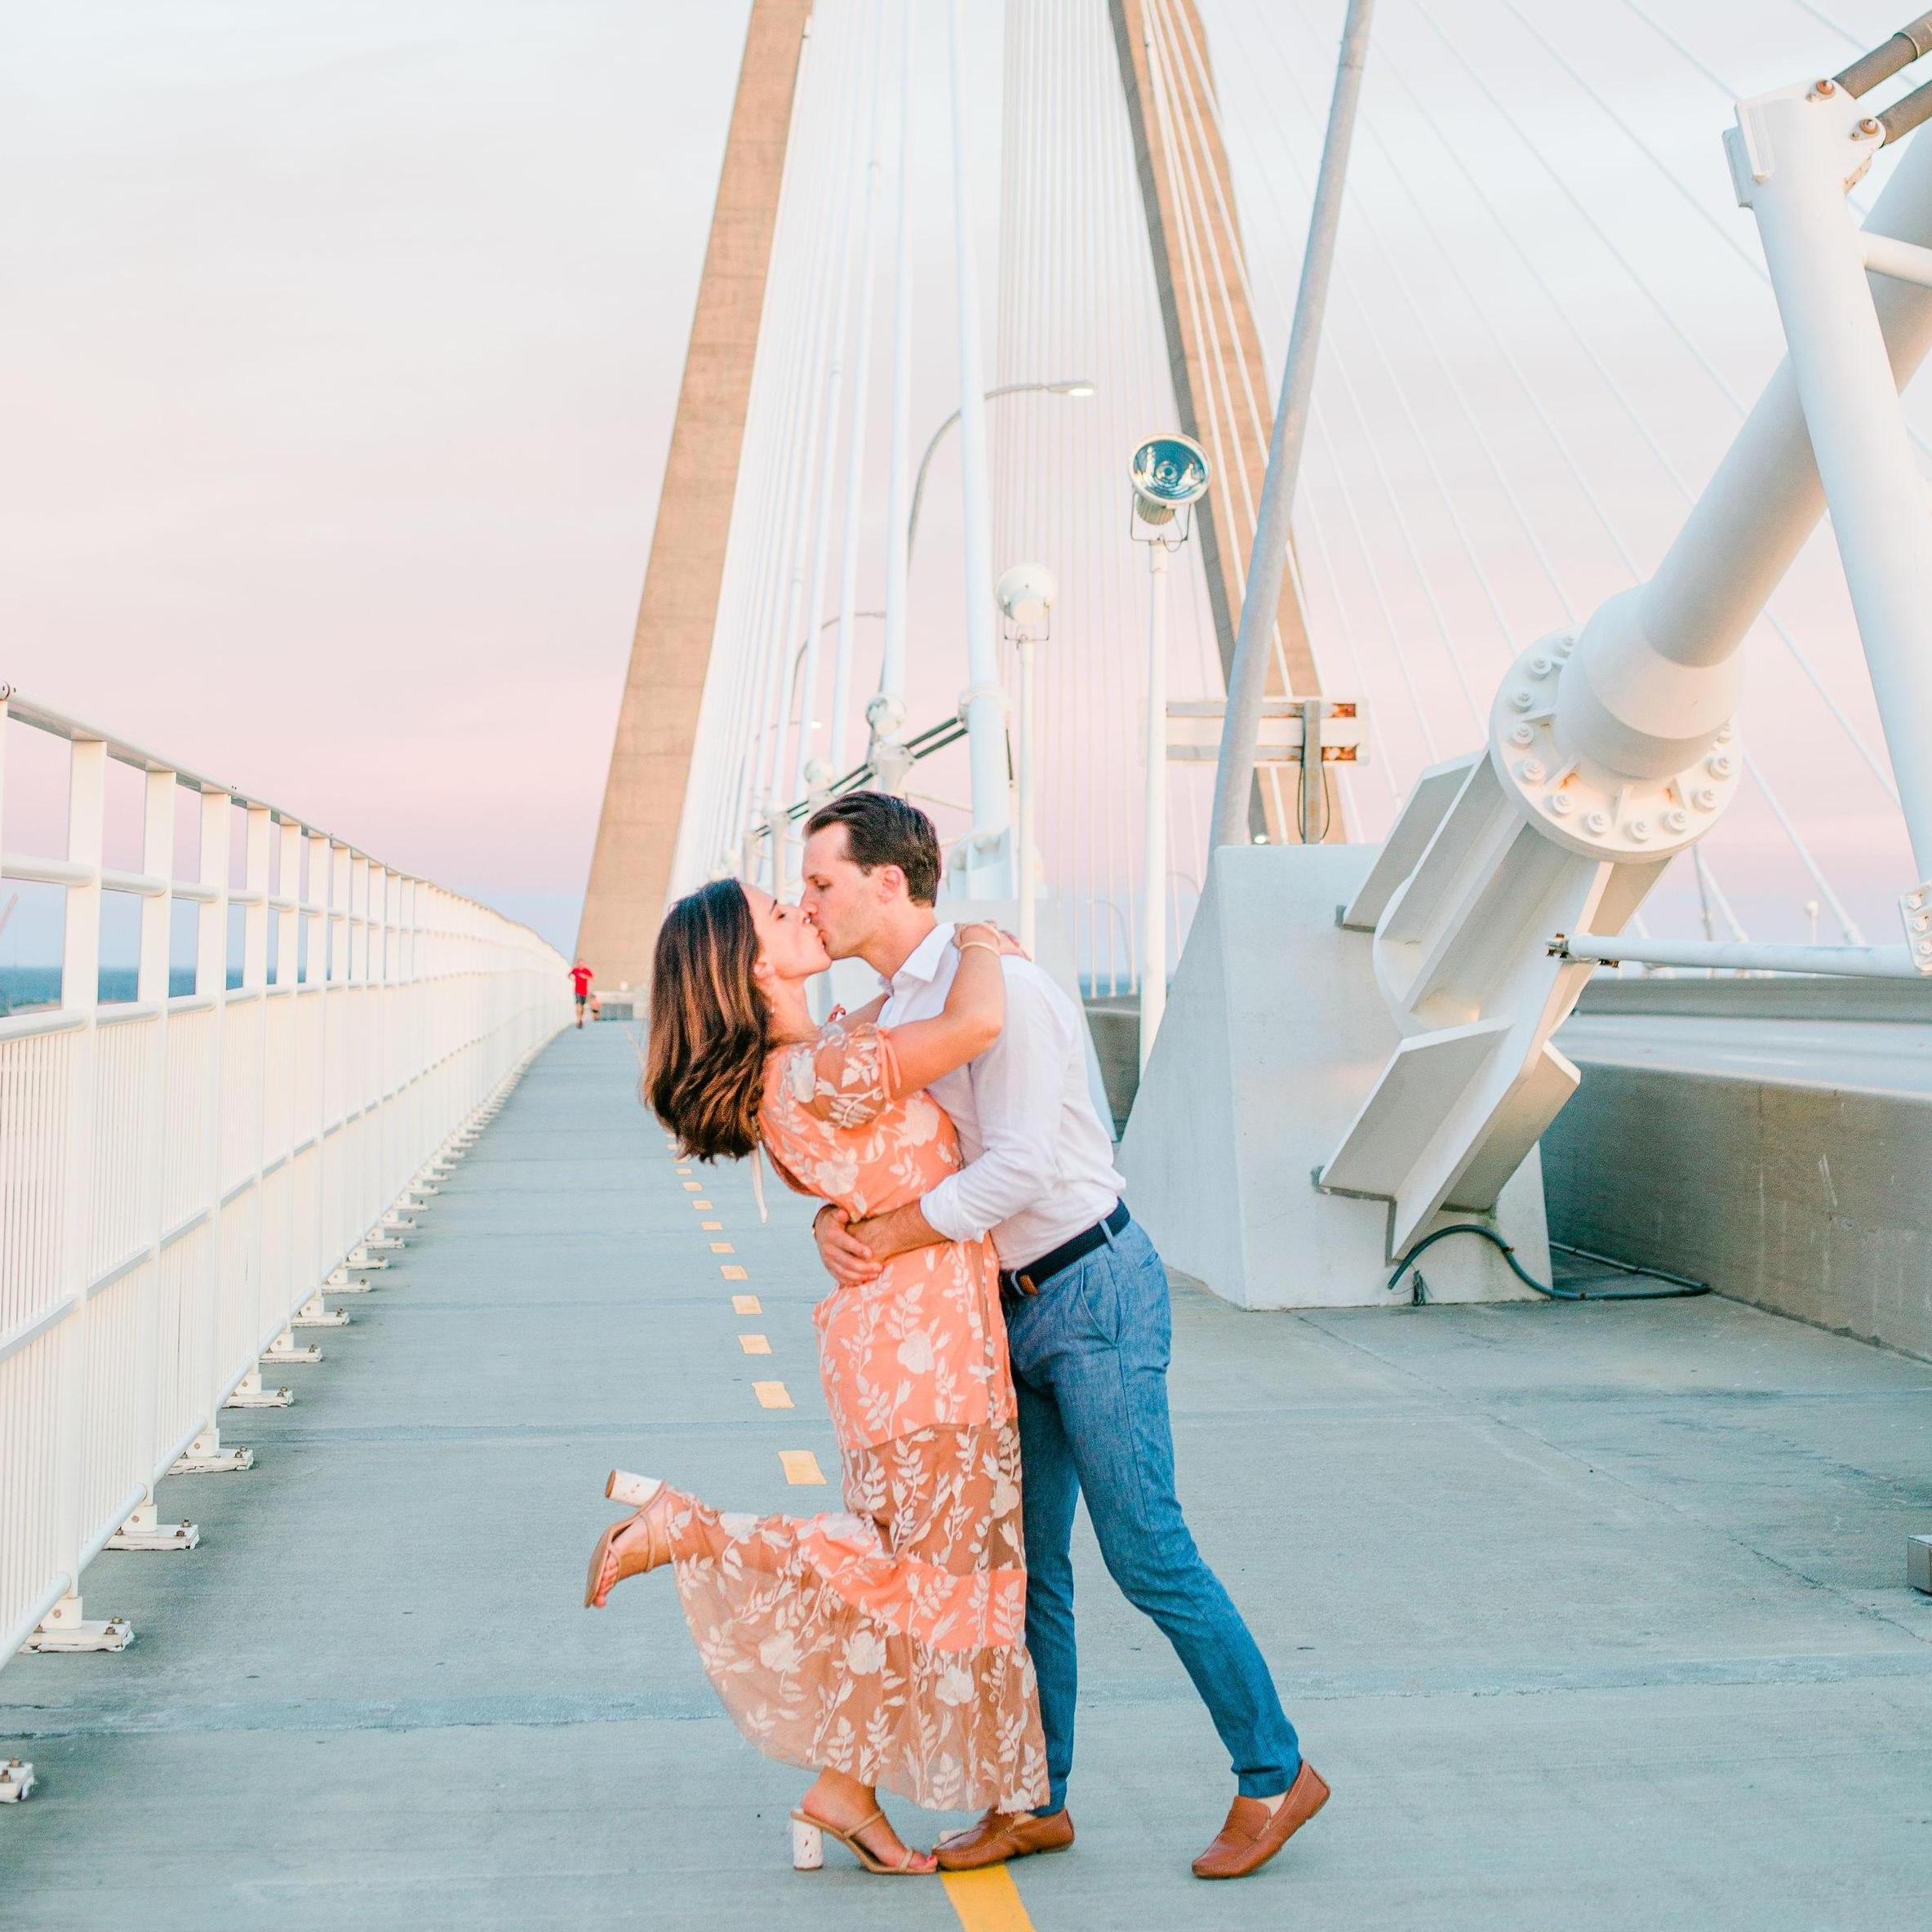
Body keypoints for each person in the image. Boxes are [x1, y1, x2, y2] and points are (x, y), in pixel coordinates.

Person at [800, 791, 1326, 1882]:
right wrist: (831, 1216)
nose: (808, 905)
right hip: (1000, 1305)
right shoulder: (906, 1001)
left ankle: (1273, 1772)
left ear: (888, 882)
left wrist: (888, 1236)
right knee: (1025, 1565)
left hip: (1093, 1286)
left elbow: (1021, 1166)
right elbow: (891, 1145)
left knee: (1145, 1549)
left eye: (821, 883)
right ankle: (1033, 1798)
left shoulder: (1006, 989)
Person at [583, 876, 1047, 1877]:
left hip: (897, 1347)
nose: (801, 908)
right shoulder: (821, 1067)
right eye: (776, 912)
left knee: (910, 1581)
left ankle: (846, 1793)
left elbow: (865, 1098)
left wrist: (832, 1221)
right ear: (752, 965)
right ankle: (693, 1528)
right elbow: (972, 1025)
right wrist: (973, 937)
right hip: (927, 1358)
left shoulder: (795, 1069)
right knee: (931, 1583)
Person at [570, 958, 594, 1027]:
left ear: (584, 964)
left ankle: (581, 1018)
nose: (580, 965)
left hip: (584, 992)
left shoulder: (586, 970)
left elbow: (592, 979)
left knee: (582, 1006)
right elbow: (569, 975)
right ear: (578, 964)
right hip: (577, 991)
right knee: (578, 1005)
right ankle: (578, 1020)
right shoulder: (575, 970)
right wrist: (572, 978)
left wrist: (585, 977)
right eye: (579, 964)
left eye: (582, 964)